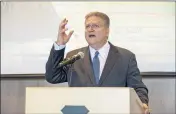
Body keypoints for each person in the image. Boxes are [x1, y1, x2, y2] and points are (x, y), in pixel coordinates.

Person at [45, 11, 150, 114]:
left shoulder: (126, 57)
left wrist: (142, 104)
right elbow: (53, 76)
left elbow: (137, 87)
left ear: (107, 31)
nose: (90, 29)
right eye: (87, 26)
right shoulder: (74, 57)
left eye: (95, 26)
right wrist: (60, 45)